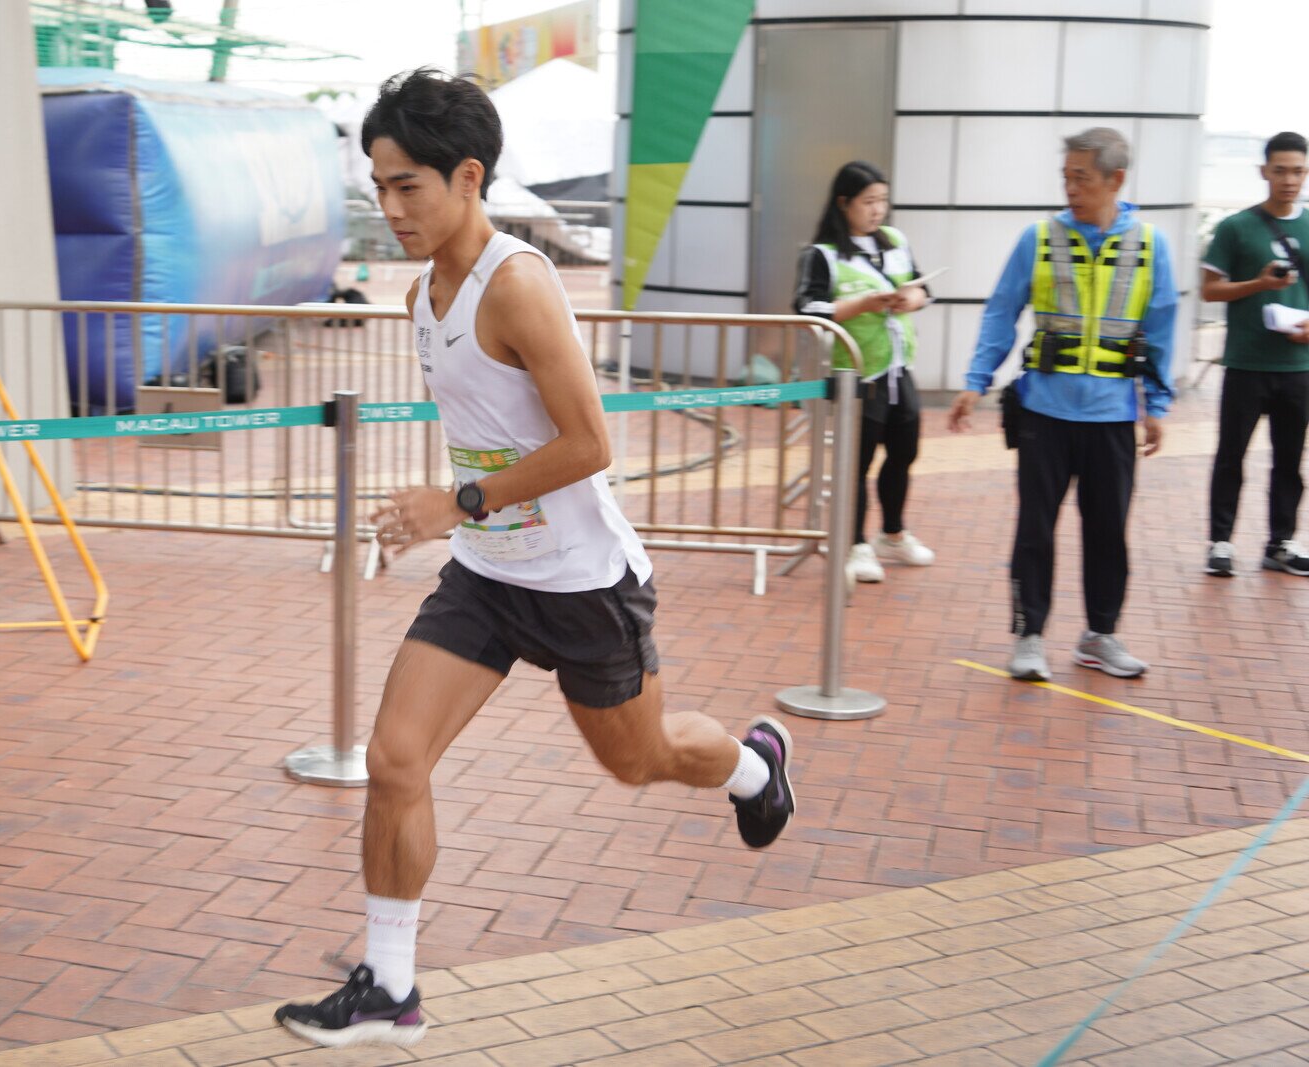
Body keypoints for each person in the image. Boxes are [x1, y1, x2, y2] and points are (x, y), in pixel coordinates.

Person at [273, 68, 797, 1050]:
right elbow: (484, 429)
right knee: (394, 760)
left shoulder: (516, 285)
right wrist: (452, 516)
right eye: (378, 186)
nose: (389, 208)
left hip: (582, 582)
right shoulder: (418, 293)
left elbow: (588, 442)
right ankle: (391, 984)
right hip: (485, 578)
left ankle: (751, 762)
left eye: (408, 187)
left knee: (638, 761)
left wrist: (454, 500)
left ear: (467, 176)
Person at [949, 127, 1177, 682]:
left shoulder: (1150, 244)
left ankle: (1100, 635)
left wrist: (1158, 406)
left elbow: (1162, 325)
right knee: (1035, 529)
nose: (1071, 188)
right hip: (1043, 414)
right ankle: (1029, 637)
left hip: (1113, 416)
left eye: (1082, 178)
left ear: (1115, 180)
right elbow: (1001, 313)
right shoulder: (1039, 238)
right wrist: (977, 381)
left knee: (1108, 532)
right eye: (1066, 177)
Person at [794, 161, 936, 585]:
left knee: (904, 451)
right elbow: (806, 308)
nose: (878, 210)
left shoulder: (893, 241)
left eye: (883, 201)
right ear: (844, 203)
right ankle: (853, 544)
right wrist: (862, 305)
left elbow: (922, 287)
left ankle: (891, 533)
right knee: (856, 464)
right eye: (868, 202)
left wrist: (912, 299)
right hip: (853, 373)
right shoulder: (822, 254)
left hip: (896, 367)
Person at [1200, 130, 1309, 579]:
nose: (1289, 180)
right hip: (1245, 363)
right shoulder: (1235, 227)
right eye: (1280, 170)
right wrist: (1259, 285)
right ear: (1263, 171)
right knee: (1231, 456)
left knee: (1290, 460)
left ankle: (1280, 543)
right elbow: (1210, 290)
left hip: (1298, 367)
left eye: (1298, 171)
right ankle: (1221, 542)